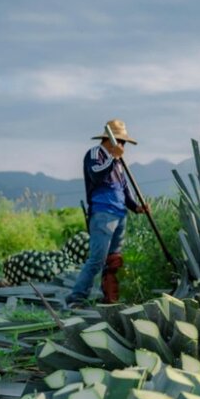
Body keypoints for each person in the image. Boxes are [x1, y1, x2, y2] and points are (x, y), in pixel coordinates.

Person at [66, 120, 147, 307]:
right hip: (103, 213)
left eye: (124, 143)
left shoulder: (118, 162)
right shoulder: (95, 154)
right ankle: (76, 297)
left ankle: (110, 298)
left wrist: (136, 207)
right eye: (121, 142)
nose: (123, 146)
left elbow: (124, 189)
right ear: (111, 140)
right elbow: (96, 175)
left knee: (113, 261)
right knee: (97, 259)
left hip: (120, 214)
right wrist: (113, 159)